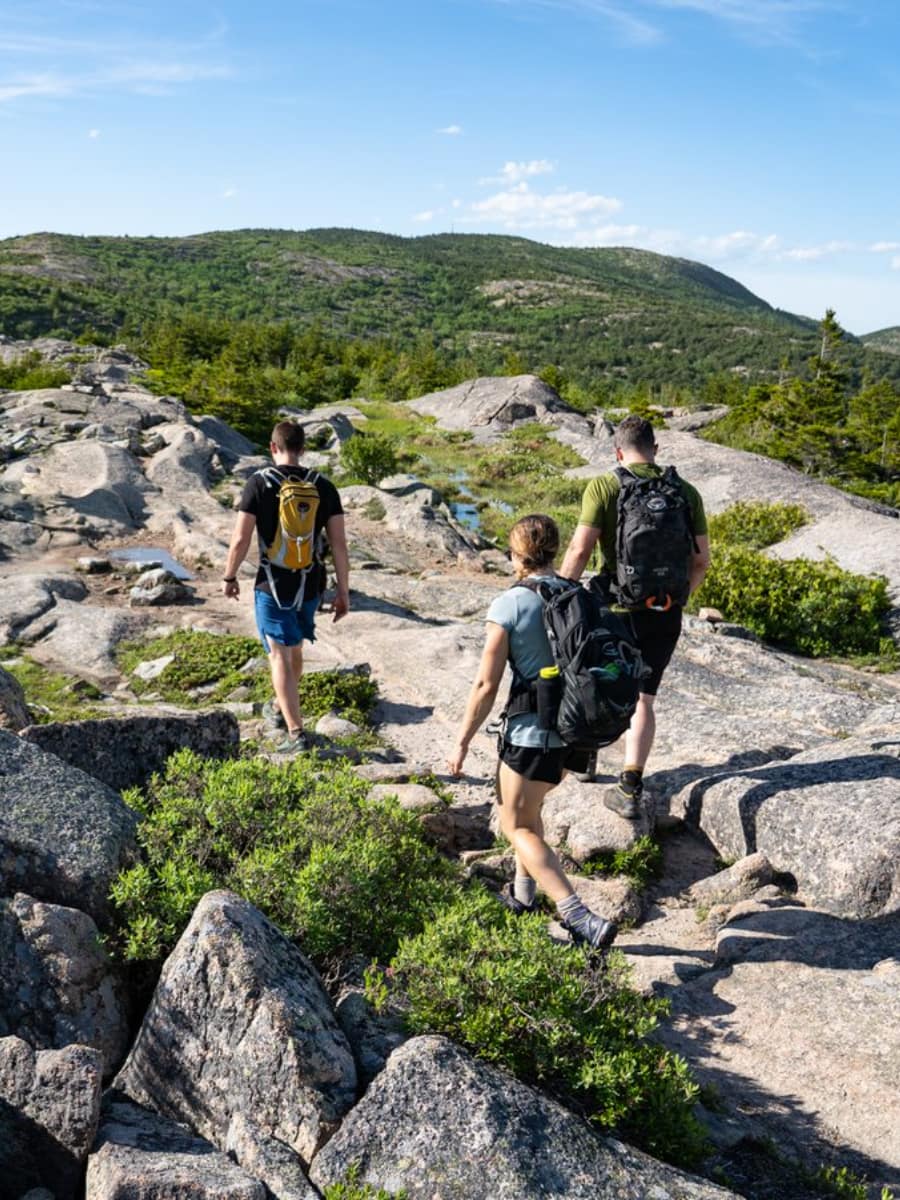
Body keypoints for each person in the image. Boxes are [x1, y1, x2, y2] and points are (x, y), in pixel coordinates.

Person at [447, 514, 618, 950]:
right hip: (575, 733)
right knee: (531, 811)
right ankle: (523, 897)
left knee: (516, 827)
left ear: (517, 554)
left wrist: (462, 741)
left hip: (531, 735)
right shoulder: (574, 593)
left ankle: (580, 918)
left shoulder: (510, 604)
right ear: (554, 550)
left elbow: (485, 685)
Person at [559, 414, 709, 818]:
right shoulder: (686, 492)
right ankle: (629, 786)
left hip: (615, 610)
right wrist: (676, 599)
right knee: (644, 697)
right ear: (655, 450)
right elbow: (701, 562)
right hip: (663, 614)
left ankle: (585, 757)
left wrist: (559, 597)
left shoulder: (605, 486)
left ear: (618, 452)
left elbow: (579, 550)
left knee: (596, 680)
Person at [222, 419, 350, 751]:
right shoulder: (323, 486)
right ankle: (280, 708)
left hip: (273, 583)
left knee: (278, 654)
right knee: (294, 648)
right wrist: (343, 591)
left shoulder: (259, 483)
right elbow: (339, 545)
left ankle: (296, 733)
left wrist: (230, 576)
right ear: (302, 449)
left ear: (273, 447)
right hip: (311, 582)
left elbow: (240, 539)